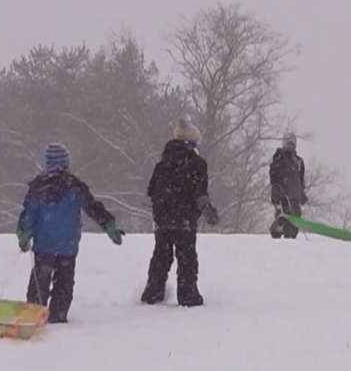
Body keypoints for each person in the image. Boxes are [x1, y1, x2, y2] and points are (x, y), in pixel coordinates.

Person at [16, 143, 124, 323]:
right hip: (67, 247)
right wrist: (109, 227)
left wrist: (23, 235)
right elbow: (93, 209)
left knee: (39, 282)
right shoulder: (75, 187)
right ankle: (58, 316)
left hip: (44, 246)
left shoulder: (38, 188)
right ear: (66, 163)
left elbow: (29, 215)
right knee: (64, 285)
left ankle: (33, 315)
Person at [140, 117, 220, 307]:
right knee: (186, 257)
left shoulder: (162, 163)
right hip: (184, 217)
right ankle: (188, 295)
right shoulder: (197, 163)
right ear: (192, 143)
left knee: (161, 254)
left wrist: (163, 202)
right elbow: (200, 193)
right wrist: (207, 210)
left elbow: (151, 190)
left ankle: (153, 292)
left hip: (162, 217)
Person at [268, 132, 308, 239]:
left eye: (292, 144)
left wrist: (302, 192)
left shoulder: (298, 161)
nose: (290, 146)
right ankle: (277, 233)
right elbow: (273, 175)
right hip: (282, 194)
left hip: (295, 195)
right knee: (283, 217)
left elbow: (300, 178)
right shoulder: (279, 157)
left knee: (295, 220)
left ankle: (291, 241)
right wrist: (276, 189)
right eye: (288, 143)